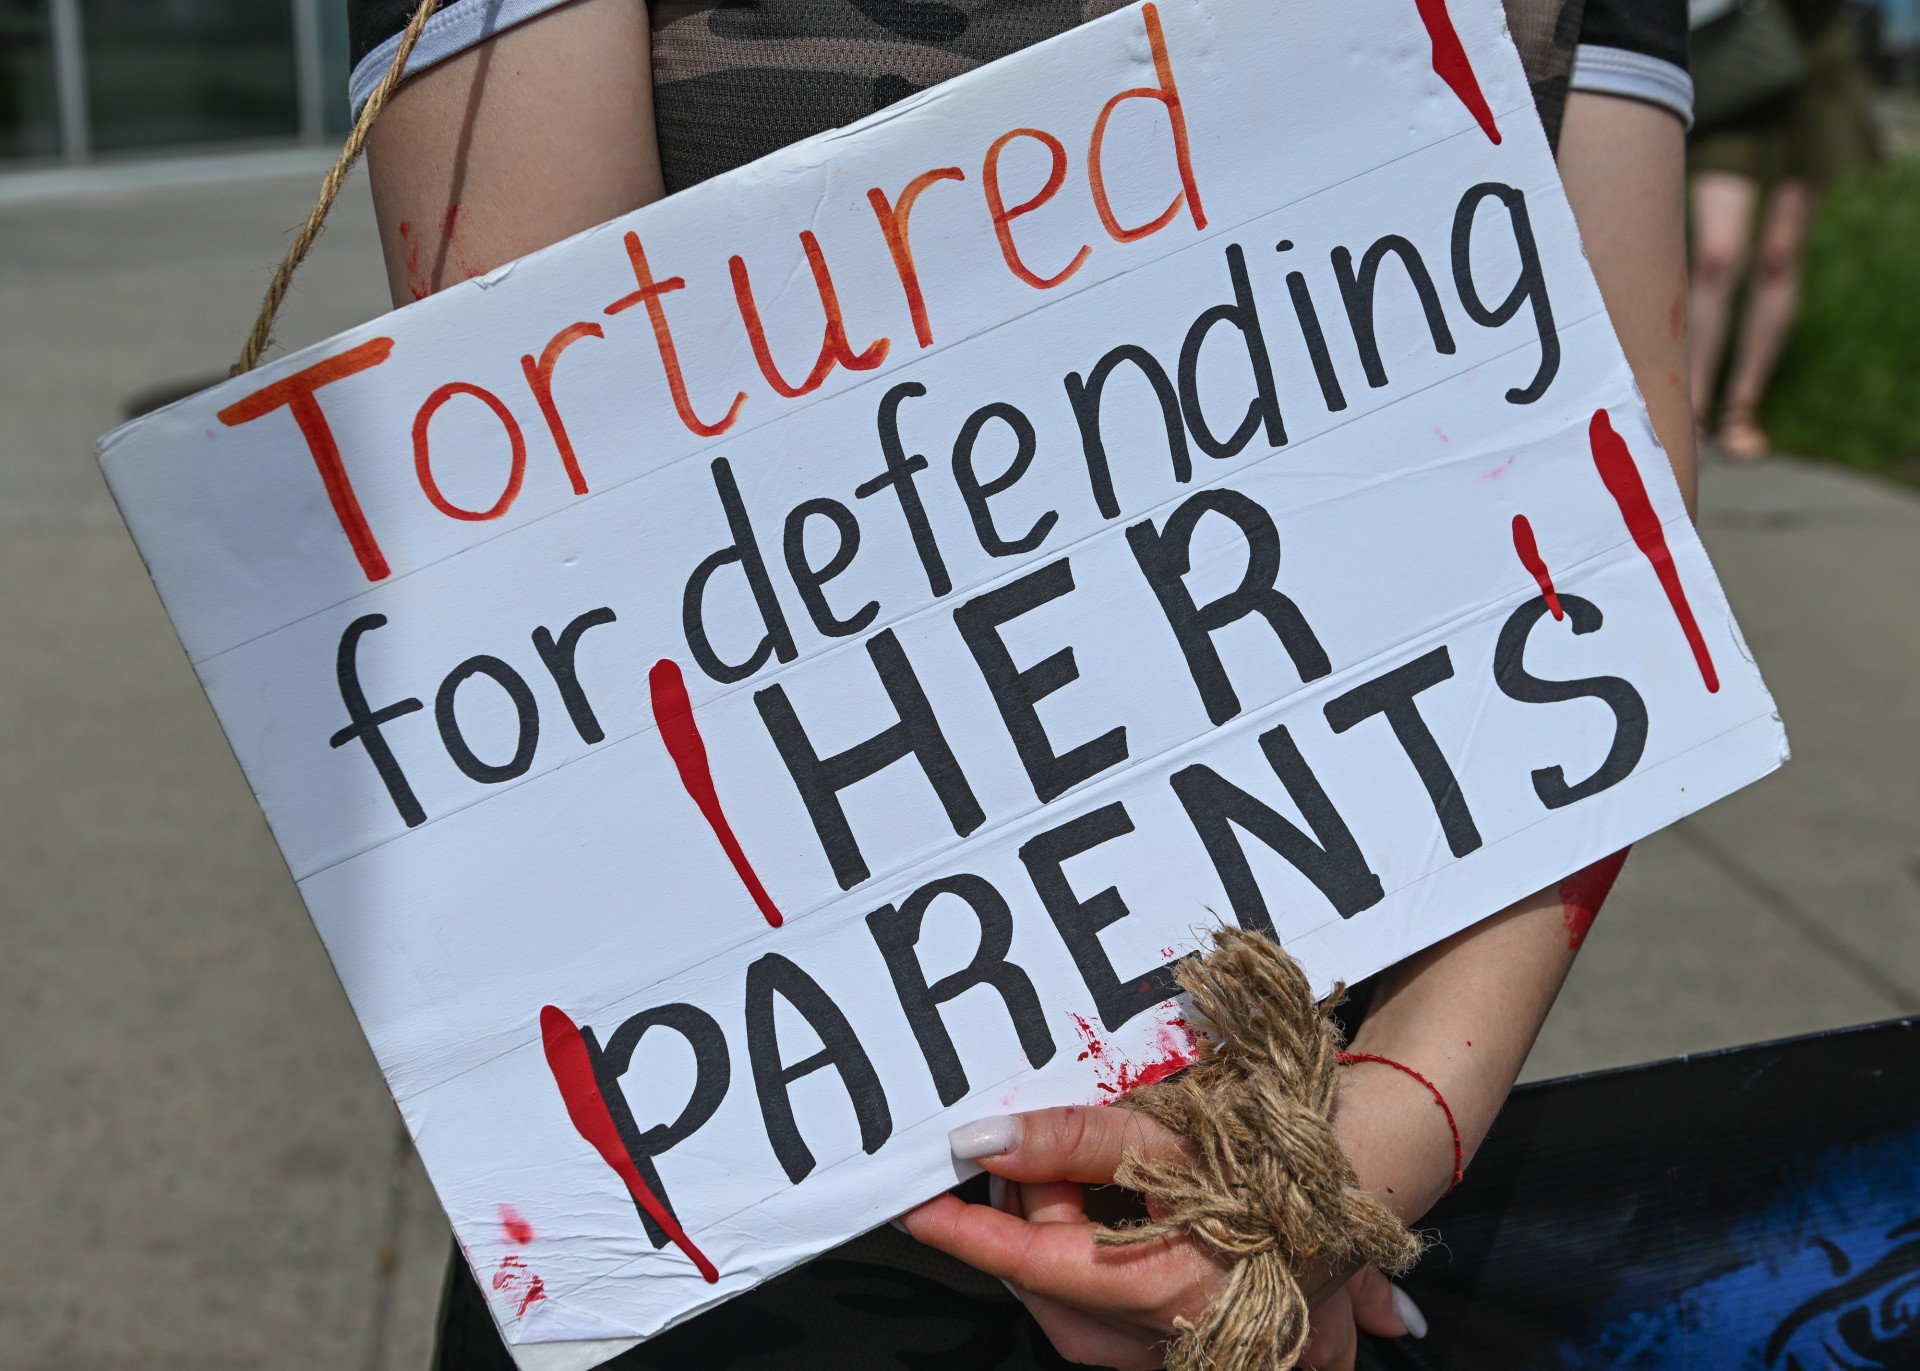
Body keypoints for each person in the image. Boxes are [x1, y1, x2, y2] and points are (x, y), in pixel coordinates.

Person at [346, 2, 1696, 1366]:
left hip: (1318, 1152)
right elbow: (552, 458)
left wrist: (1377, 1136)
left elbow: (1614, 425)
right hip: (765, 1210)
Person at [1687, 0, 1879, 461]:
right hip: (1734, 57)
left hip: (1813, 73)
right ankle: (1690, 407)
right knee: (1716, 253)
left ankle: (1741, 408)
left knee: (1780, 254)